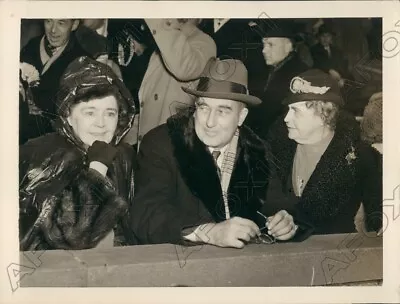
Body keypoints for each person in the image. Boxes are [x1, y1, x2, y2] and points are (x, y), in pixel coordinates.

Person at [131, 58, 310, 248]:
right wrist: (210, 232)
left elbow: (277, 204)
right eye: (204, 107)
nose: (209, 122)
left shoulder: (256, 149)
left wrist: (285, 222)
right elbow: (147, 213)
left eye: (222, 111)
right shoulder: (162, 144)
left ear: (241, 117)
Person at [19, 56, 137, 251]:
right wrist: (97, 170)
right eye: (90, 113)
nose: (101, 123)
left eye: (110, 113)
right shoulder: (47, 159)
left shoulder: (122, 156)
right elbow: (70, 236)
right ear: (68, 116)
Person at [265, 69, 382, 235]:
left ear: (324, 114)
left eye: (296, 111)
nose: (286, 118)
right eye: (288, 109)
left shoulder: (360, 158)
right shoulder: (273, 150)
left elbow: (380, 213)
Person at [123, 18, 217, 146]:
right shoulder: (161, 48)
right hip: (152, 151)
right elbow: (149, 110)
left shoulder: (204, 42)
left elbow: (184, 68)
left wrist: (156, 17)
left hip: (173, 151)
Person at [20, 19, 89, 139]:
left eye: (61, 23)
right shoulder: (33, 45)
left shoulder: (81, 60)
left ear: (74, 25)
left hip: (53, 137)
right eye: (48, 21)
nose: (53, 30)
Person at [246, 22, 308, 137]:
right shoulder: (266, 69)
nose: (264, 50)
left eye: (270, 44)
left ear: (288, 46)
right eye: (263, 44)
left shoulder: (301, 76)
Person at [310, 24, 351, 89]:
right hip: (322, 82)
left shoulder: (337, 51)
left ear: (331, 37)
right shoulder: (313, 50)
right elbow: (317, 65)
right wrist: (329, 70)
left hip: (339, 81)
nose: (325, 39)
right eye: (323, 36)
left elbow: (343, 66)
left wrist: (343, 78)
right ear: (319, 37)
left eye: (328, 36)